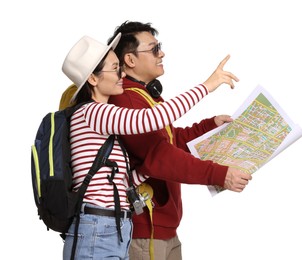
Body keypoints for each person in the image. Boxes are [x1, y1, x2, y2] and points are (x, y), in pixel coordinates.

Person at [61, 33, 246, 260]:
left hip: (112, 226)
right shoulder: (93, 112)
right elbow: (151, 119)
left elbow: (119, 183)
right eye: (114, 68)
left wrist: (148, 168)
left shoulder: (103, 121)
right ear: (93, 79)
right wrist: (208, 86)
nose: (121, 74)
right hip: (97, 228)